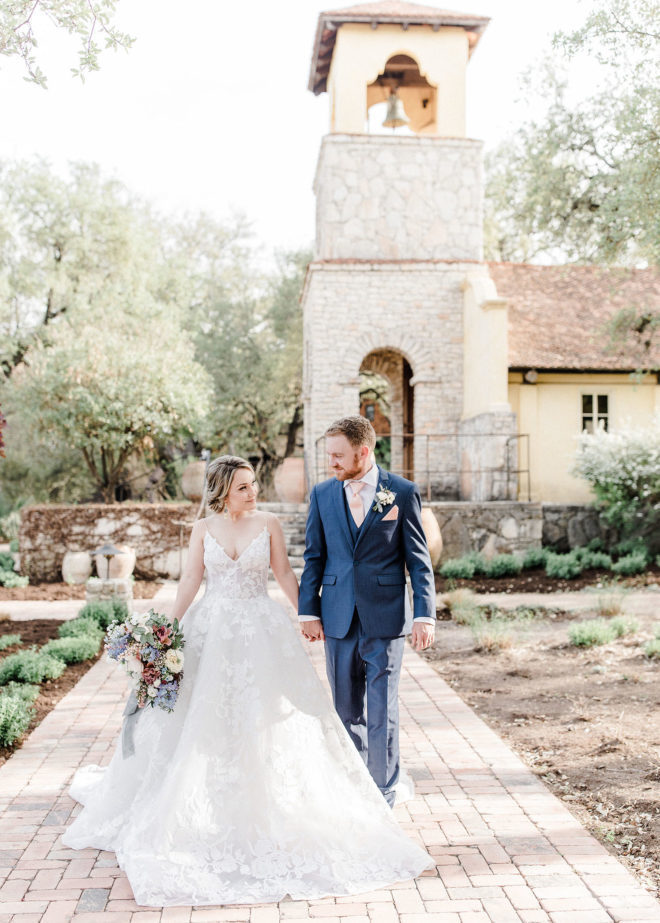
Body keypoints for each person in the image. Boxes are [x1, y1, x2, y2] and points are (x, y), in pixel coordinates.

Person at [62, 454, 432, 907]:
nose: (253, 492)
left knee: (266, 715)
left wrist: (307, 614)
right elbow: (191, 582)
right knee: (204, 717)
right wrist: (162, 633)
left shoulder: (270, 522)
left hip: (262, 627)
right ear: (221, 491)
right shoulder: (203, 530)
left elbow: (283, 574)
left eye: (254, 483)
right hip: (209, 631)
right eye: (243, 486)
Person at [298, 416, 436, 807]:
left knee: (382, 709)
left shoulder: (402, 492)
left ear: (364, 451)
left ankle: (384, 791)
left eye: (339, 456)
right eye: (329, 456)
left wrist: (425, 614)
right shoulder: (323, 495)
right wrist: (308, 610)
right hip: (338, 616)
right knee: (345, 710)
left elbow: (419, 560)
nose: (332, 464)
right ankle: (354, 787)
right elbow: (314, 557)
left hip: (386, 617)